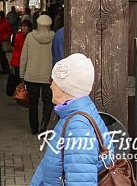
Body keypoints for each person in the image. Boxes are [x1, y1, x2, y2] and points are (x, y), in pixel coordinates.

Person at [31, 53, 114, 185]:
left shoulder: (78, 127)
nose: (50, 86)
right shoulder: (74, 114)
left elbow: (81, 182)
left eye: (52, 80)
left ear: (65, 87)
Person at [19, 14, 55, 135]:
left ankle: (33, 127)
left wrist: (21, 75)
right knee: (47, 101)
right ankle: (44, 124)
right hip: (48, 76)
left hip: (31, 75)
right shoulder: (54, 37)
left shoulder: (30, 36)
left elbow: (24, 57)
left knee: (33, 102)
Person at [5, 19, 32, 97]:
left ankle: (24, 94)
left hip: (27, 61)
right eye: (22, 26)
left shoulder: (30, 37)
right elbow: (15, 50)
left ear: (29, 28)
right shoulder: (18, 36)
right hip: (17, 61)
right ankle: (18, 94)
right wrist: (12, 63)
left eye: (25, 26)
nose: (23, 28)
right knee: (17, 79)